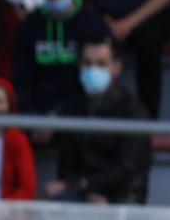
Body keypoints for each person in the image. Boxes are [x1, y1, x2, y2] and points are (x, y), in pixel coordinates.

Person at [52, 36, 153, 202]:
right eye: (87, 63)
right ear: (79, 66)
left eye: (101, 64)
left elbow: (128, 168)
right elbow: (66, 162)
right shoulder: (73, 107)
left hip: (123, 195)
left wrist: (90, 187)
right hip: (81, 192)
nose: (93, 70)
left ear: (116, 68)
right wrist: (84, 190)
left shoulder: (133, 110)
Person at [14, 0, 112, 114]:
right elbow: (22, 80)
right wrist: (35, 119)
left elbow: (97, 83)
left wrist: (59, 116)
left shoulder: (93, 25)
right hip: (37, 115)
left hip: (81, 115)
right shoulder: (30, 25)